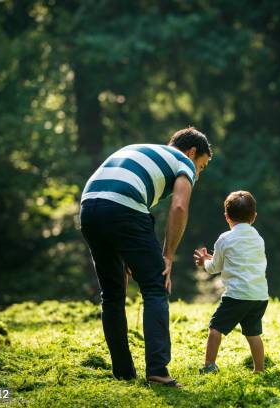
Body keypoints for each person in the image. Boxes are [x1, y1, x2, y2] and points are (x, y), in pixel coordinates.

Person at [79, 127, 211, 387]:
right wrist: (168, 257)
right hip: (122, 205)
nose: (199, 173)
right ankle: (158, 371)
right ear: (192, 152)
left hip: (89, 206)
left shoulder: (142, 150)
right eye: (202, 166)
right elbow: (180, 206)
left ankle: (123, 372)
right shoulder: (183, 161)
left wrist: (129, 255)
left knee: (113, 293)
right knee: (155, 285)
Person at [193, 191, 269, 374]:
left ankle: (209, 365)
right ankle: (259, 370)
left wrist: (204, 262)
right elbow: (240, 260)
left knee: (215, 328)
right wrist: (217, 260)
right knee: (253, 333)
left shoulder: (225, 238)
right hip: (259, 296)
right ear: (254, 217)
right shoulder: (258, 239)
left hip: (237, 295)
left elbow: (214, 268)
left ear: (227, 216)